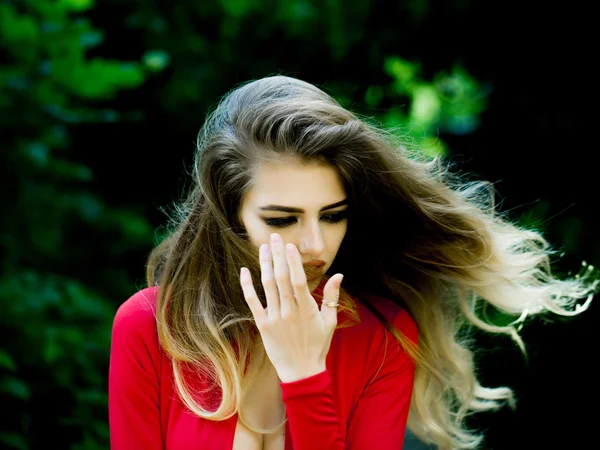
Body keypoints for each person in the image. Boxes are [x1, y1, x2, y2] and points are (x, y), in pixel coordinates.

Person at [108, 75, 598, 449]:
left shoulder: (383, 336)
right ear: (228, 216)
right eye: (283, 220)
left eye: (333, 215)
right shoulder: (150, 327)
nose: (316, 245)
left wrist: (304, 376)